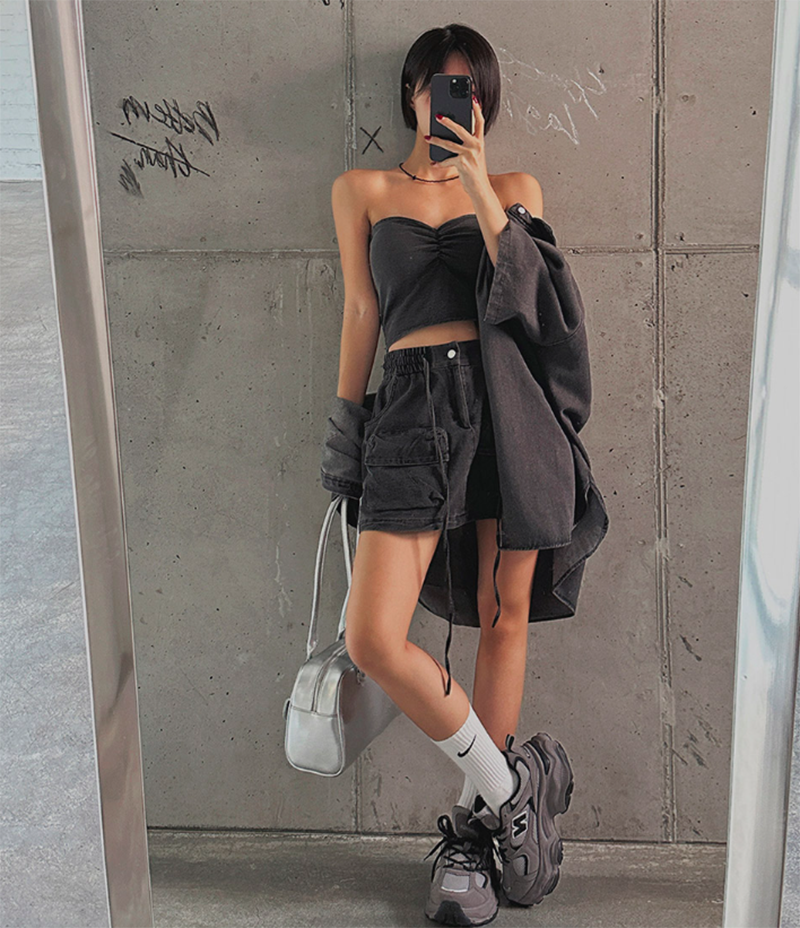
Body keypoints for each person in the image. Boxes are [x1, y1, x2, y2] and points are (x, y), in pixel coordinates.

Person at [328, 24, 575, 926]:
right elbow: (363, 311)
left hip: (507, 405)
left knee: (504, 613)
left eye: (471, 87)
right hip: (408, 410)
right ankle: (512, 792)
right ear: (413, 92)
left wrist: (476, 185)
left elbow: (534, 302)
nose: (454, 100)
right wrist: (346, 432)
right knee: (373, 639)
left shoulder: (514, 190)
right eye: (441, 84)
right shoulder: (361, 190)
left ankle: (475, 842)